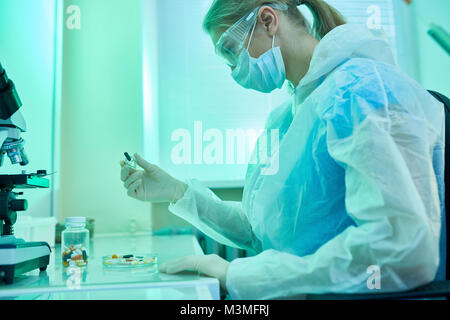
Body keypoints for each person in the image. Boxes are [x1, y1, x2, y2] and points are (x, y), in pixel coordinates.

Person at [120, 0, 446, 300]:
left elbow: (401, 247)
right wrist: (177, 191)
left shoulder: (362, 91)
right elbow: (258, 228)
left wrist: (241, 274)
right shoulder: (285, 118)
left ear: (267, 20)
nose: (233, 70)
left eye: (231, 50)